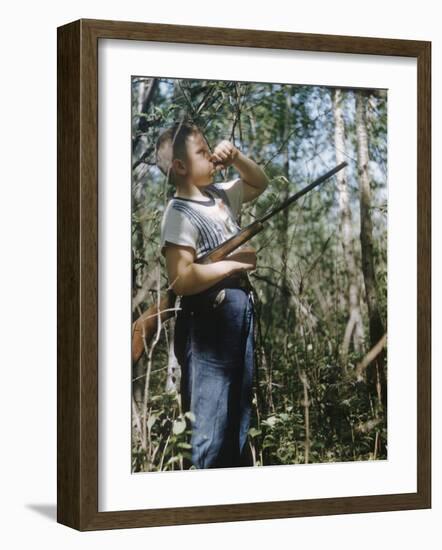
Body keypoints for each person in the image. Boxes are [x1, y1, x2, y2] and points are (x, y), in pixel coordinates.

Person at [156, 121, 269, 469]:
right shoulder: (178, 212)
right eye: (202, 152)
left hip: (239, 316)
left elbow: (259, 182)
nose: (211, 156)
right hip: (209, 320)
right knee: (209, 431)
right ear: (179, 166)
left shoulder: (220, 194)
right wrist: (232, 266)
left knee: (237, 422)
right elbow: (182, 279)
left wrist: (235, 156)